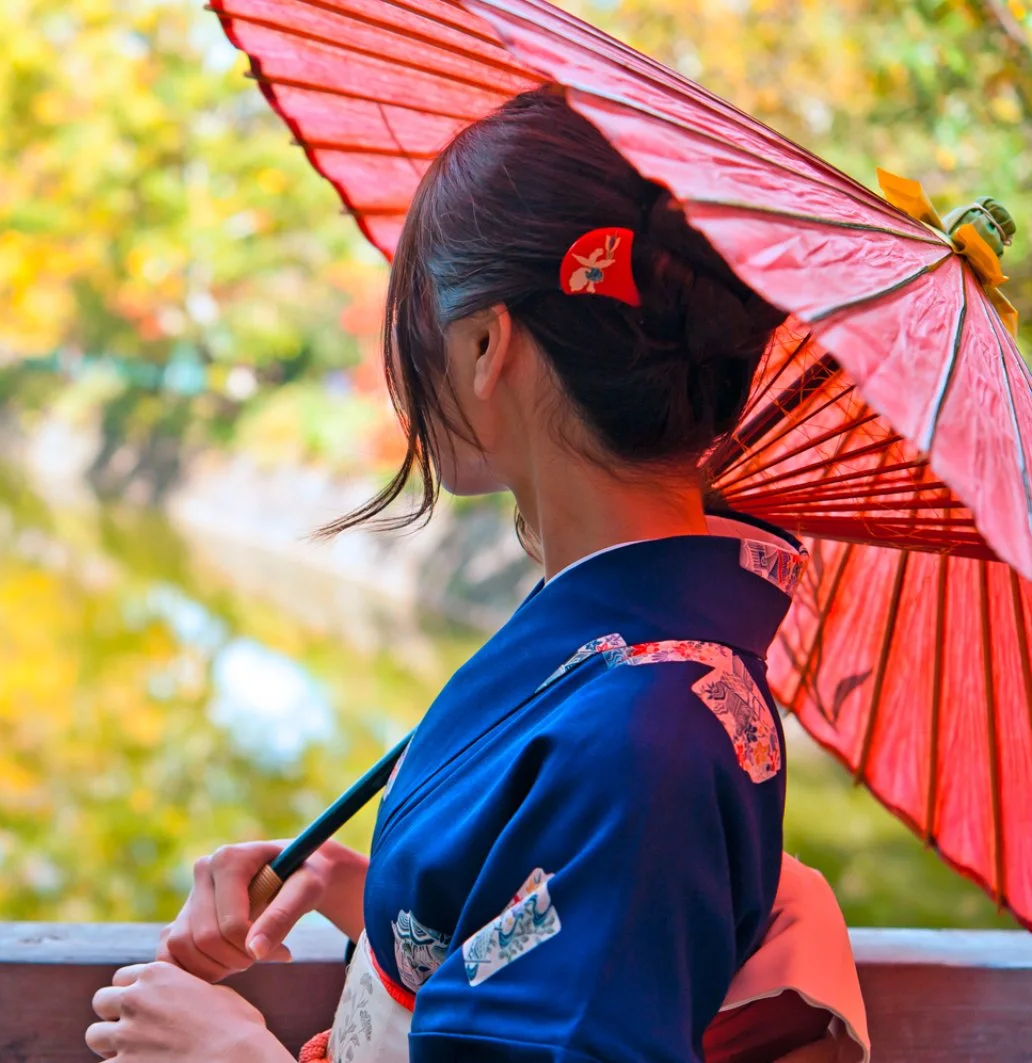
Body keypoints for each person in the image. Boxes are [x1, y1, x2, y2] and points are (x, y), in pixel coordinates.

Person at [86, 86, 868, 1063]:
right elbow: (560, 925)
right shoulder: (627, 651)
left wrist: (232, 1054)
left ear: (488, 345)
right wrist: (366, 891)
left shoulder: (644, 734)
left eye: (419, 317)